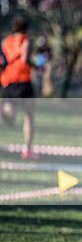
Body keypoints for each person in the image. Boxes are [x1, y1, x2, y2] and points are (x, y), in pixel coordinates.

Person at [1, 14, 37, 160]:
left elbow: (2, 62)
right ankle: (27, 150)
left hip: (8, 82)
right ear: (26, 29)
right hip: (23, 82)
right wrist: (37, 67)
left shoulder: (5, 42)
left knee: (10, 119)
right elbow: (24, 59)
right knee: (28, 117)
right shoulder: (26, 41)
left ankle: (2, 110)